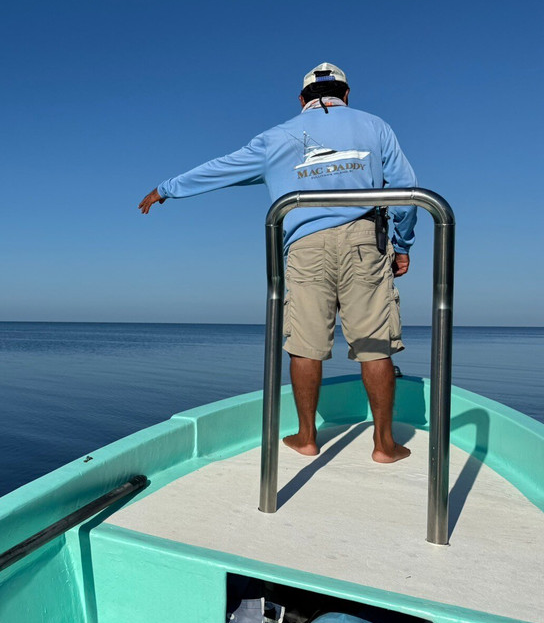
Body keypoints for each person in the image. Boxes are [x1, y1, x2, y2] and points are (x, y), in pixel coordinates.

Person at [138, 63, 417, 463]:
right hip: (363, 239)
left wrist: (166, 189)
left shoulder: (276, 138)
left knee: (304, 345)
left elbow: (221, 168)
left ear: (302, 100)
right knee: (375, 345)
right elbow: (407, 189)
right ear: (347, 94)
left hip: (304, 246)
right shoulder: (376, 126)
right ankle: (384, 445)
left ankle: (306, 438)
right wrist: (402, 244)